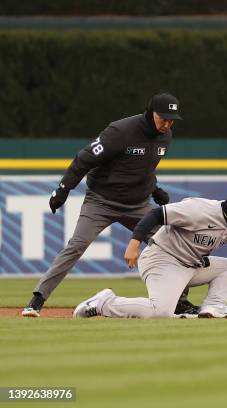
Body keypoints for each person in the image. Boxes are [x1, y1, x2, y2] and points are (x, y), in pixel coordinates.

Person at [21, 93, 199, 317]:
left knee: (173, 243)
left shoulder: (166, 136)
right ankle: (37, 300)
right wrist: (63, 189)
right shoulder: (120, 131)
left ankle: (180, 301)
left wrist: (155, 189)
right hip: (101, 202)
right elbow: (83, 159)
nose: (167, 123)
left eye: (172, 119)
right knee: (77, 244)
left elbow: (143, 168)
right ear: (150, 112)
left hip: (138, 205)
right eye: (163, 117)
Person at [72, 186, 227, 318]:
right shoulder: (199, 210)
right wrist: (135, 242)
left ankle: (212, 307)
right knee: (160, 313)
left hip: (190, 267)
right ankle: (105, 302)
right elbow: (156, 214)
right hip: (162, 260)